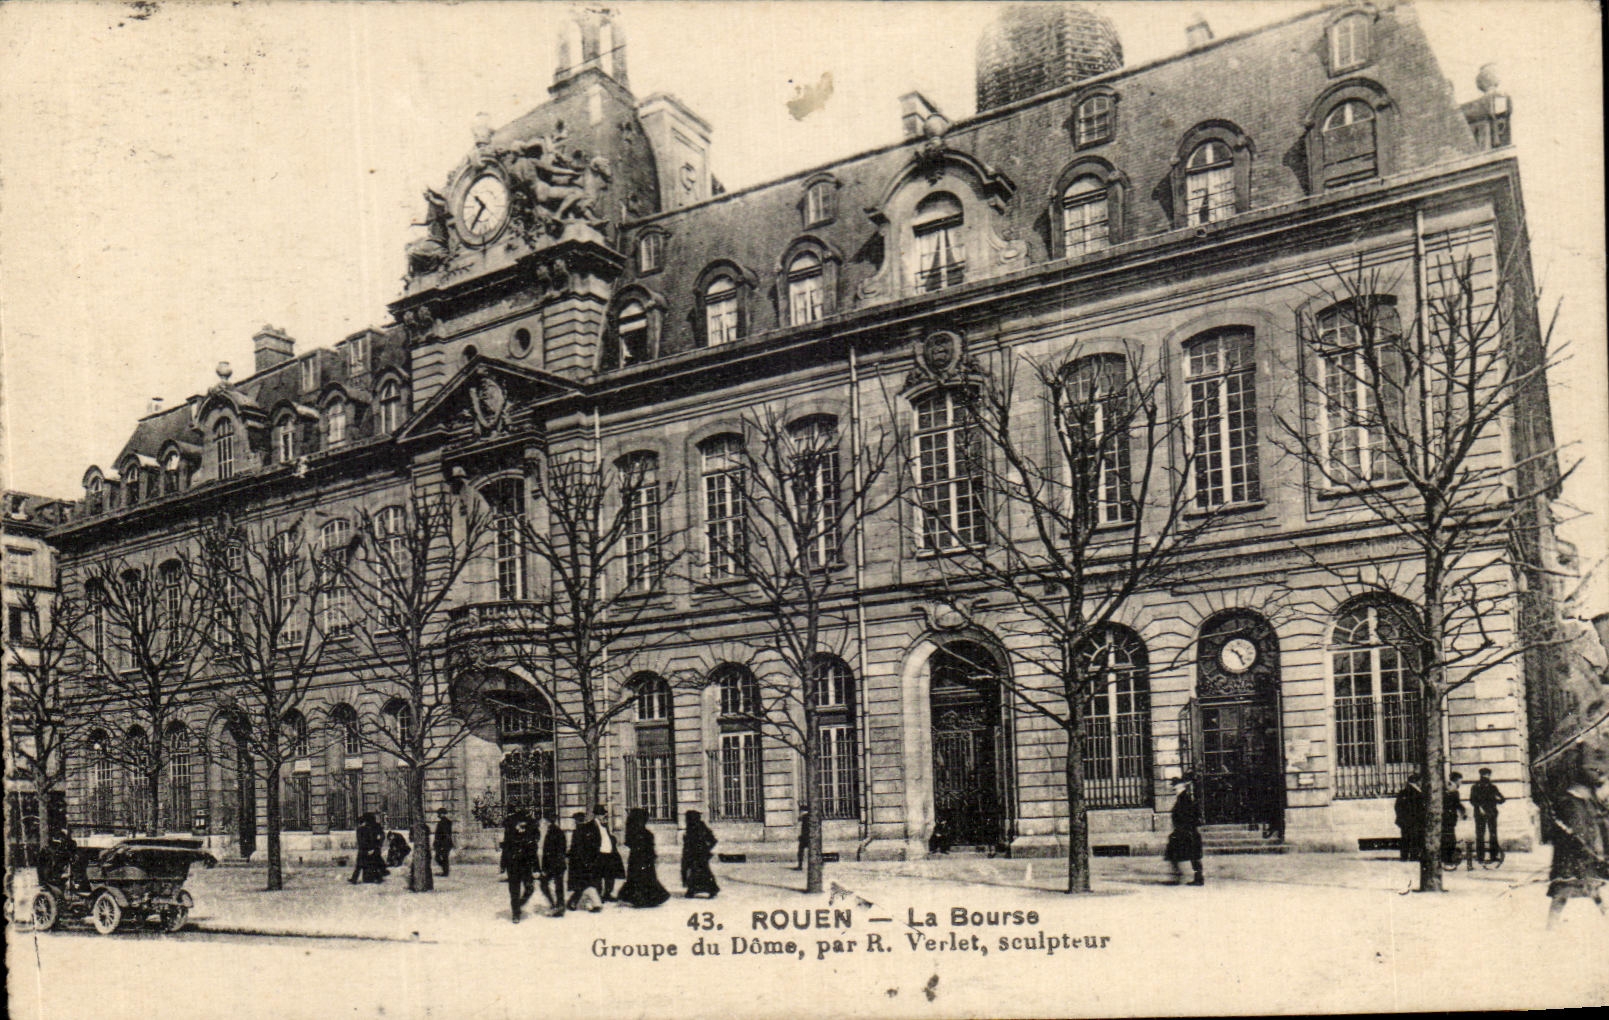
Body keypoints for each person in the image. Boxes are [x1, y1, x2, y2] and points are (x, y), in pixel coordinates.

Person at [1546, 766, 1609, 928]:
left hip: (1582, 856)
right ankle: (1550, 927)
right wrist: (1589, 850)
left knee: (1592, 887)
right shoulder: (1571, 802)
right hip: (1571, 856)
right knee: (1563, 891)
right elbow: (1577, 832)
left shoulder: (1583, 802)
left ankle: (1605, 914)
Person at [617, 807, 671, 908]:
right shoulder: (645, 833)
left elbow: (629, 844)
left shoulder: (632, 832)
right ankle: (645, 900)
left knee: (636, 879)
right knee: (646, 879)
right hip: (645, 860)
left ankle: (637, 899)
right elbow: (649, 847)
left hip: (636, 859)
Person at [500, 808, 539, 923]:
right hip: (513, 866)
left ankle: (519, 904)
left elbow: (533, 851)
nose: (522, 827)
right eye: (520, 825)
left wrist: (536, 867)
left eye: (524, 825)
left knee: (530, 888)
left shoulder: (528, 835)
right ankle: (516, 913)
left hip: (526, 865)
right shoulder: (510, 834)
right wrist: (503, 866)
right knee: (514, 891)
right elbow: (505, 850)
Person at [1164, 774, 1204, 886]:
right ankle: (1188, 877)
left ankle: (1188, 877)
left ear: (1181, 786)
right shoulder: (1183, 797)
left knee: (1189, 855)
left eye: (1175, 786)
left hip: (1186, 831)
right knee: (1189, 855)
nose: (1174, 789)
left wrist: (1184, 827)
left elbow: (1188, 815)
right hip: (1186, 831)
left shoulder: (1184, 798)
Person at [567, 809, 603, 912]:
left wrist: (571, 855)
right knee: (584, 884)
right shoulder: (588, 830)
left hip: (580, 862)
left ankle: (596, 904)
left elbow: (578, 848)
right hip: (586, 861)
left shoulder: (578, 831)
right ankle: (573, 903)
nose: (575, 822)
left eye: (575, 820)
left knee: (585, 883)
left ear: (577, 820)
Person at [1469, 767, 1506, 863]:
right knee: (1482, 834)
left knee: (1490, 834)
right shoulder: (1478, 787)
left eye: (1487, 775)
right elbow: (1472, 800)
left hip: (1488, 813)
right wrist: (1480, 807)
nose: (1486, 776)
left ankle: (1489, 856)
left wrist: (1495, 800)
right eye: (1484, 775)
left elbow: (1502, 799)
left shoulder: (1490, 787)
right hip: (1483, 813)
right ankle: (1484, 857)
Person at [681, 809, 720, 899]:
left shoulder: (700, 828)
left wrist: (706, 850)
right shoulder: (690, 827)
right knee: (694, 872)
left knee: (703, 873)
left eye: (687, 818)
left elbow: (713, 840)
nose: (686, 820)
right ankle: (692, 890)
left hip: (700, 855)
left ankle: (711, 890)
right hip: (692, 854)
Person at [594, 804, 625, 903]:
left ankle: (607, 894)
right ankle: (598, 896)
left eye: (604, 814)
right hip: (599, 854)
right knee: (598, 876)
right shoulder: (592, 825)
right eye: (602, 814)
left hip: (609, 854)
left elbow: (607, 837)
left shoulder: (605, 825)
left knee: (610, 875)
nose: (604, 816)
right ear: (597, 815)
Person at [539, 812, 568, 917]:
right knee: (557, 885)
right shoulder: (556, 831)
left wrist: (546, 867)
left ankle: (557, 906)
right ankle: (558, 906)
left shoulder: (553, 832)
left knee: (547, 884)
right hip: (558, 864)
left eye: (544, 821)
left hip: (554, 865)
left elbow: (550, 852)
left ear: (547, 822)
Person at [1394, 772, 1425, 862]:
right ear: (1417, 782)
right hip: (1415, 820)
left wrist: (1401, 817)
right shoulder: (1418, 793)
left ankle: (1404, 856)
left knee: (1405, 838)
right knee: (1415, 838)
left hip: (1404, 821)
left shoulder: (1403, 792)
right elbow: (1420, 808)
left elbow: (1397, 807)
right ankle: (1413, 856)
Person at [1441, 772, 1467, 865]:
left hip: (1446, 818)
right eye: (1460, 781)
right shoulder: (1453, 790)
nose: (1461, 783)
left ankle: (1446, 858)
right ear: (1456, 780)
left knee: (1447, 837)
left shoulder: (1447, 788)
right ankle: (1448, 859)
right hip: (1449, 818)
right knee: (1450, 838)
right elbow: (1456, 803)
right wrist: (1463, 811)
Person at [353, 813, 387, 884]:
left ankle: (377, 877)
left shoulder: (369, 827)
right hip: (370, 848)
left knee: (370, 863)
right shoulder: (365, 828)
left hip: (370, 848)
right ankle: (376, 877)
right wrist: (378, 844)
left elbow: (379, 836)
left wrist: (377, 844)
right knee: (371, 863)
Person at [433, 809, 455, 877]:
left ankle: (445, 871)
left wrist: (442, 845)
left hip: (444, 844)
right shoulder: (446, 822)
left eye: (439, 814)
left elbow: (445, 834)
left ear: (442, 814)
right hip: (445, 843)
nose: (438, 815)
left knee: (440, 857)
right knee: (443, 857)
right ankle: (445, 871)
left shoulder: (443, 823)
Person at [794, 804, 811, 871]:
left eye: (800, 811)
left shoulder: (805, 817)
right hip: (808, 837)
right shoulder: (808, 817)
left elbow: (805, 829)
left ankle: (800, 866)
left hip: (805, 838)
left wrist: (802, 836)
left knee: (800, 852)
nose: (800, 813)